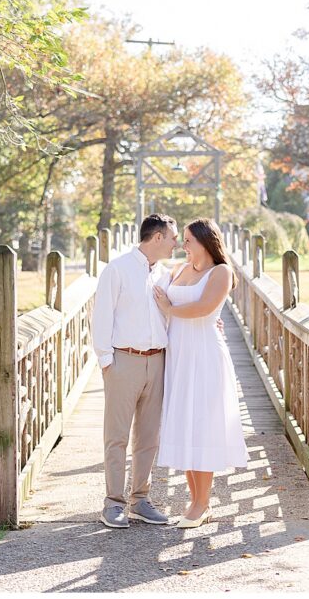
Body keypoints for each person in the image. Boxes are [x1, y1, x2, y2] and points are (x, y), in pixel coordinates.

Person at [153, 218, 248, 528]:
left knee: (202, 426)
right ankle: (196, 502)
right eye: (182, 239)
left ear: (206, 242)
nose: (183, 245)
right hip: (178, 356)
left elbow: (204, 308)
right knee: (185, 426)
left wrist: (170, 310)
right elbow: (151, 286)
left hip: (204, 354)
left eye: (188, 240)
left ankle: (202, 503)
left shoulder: (221, 272)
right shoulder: (178, 269)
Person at [91, 213, 178, 529]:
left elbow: (175, 313)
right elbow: (101, 316)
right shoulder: (117, 269)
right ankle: (113, 503)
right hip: (124, 361)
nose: (176, 243)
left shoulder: (165, 275)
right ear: (157, 237)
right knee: (116, 436)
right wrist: (106, 361)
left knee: (149, 437)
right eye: (172, 237)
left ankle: (140, 500)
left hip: (158, 361)